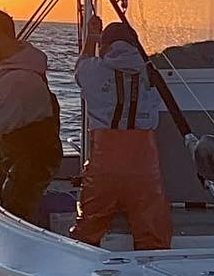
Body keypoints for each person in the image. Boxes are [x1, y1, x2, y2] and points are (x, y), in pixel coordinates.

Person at [71, 16, 172, 250]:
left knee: (89, 225)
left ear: (105, 46)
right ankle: (153, 275)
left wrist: (91, 38)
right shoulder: (153, 71)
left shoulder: (94, 69)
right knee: (152, 230)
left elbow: (81, 67)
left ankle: (83, 271)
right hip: (144, 164)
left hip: (104, 163)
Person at [0, 10, 61, 224]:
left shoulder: (17, 79)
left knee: (16, 219)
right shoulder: (21, 67)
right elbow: (15, 114)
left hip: (30, 166)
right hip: (27, 160)